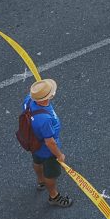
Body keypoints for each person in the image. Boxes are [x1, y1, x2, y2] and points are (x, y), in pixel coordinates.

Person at [23, 79, 74, 208]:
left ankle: (40, 182)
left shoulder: (28, 99)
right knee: (51, 175)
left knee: (37, 161)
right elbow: (50, 142)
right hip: (47, 150)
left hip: (34, 143)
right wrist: (59, 155)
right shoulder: (45, 119)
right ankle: (54, 196)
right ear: (48, 97)